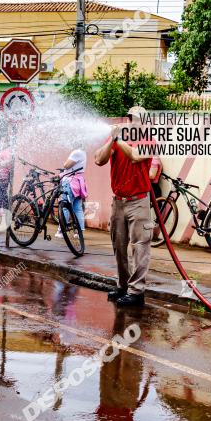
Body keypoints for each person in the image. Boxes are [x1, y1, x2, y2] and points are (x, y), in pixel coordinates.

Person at [93, 106, 153, 307]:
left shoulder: (149, 141)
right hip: (118, 202)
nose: (132, 122)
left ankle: (136, 292)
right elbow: (99, 160)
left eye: (136, 119)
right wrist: (111, 139)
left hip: (139, 202)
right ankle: (123, 286)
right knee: (119, 247)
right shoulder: (116, 141)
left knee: (139, 248)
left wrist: (118, 140)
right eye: (130, 118)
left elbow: (135, 156)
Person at [55, 146, 87, 238]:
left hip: (70, 182)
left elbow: (66, 165)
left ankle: (61, 231)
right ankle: (79, 232)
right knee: (78, 208)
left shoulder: (76, 152)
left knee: (65, 207)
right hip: (79, 182)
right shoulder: (83, 152)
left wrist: (64, 163)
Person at [0, 140, 15, 215]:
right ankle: (4, 210)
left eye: (3, 142)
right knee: (3, 193)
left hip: (4, 174)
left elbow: (9, 162)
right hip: (2, 174)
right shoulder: (5, 151)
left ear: (6, 143)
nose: (1, 143)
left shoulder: (7, 151)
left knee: (0, 193)